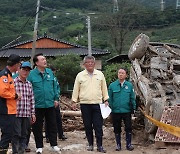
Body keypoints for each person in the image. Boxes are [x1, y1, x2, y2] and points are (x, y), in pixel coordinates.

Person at [71, 55, 109, 153]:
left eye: (92, 62)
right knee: (87, 125)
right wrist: (74, 101)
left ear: (94, 64)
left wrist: (106, 99)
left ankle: (100, 146)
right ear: (84, 64)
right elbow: (76, 89)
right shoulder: (80, 75)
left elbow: (104, 88)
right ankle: (90, 144)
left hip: (97, 104)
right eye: (88, 62)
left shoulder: (100, 74)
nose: (90, 64)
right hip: (85, 104)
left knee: (98, 126)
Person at [28, 53, 60, 153]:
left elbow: (55, 86)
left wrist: (56, 98)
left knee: (52, 125)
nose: (45, 61)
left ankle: (53, 144)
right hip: (37, 105)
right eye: (42, 59)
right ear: (36, 63)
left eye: (45, 59)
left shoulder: (50, 72)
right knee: (37, 126)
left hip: (50, 104)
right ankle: (39, 147)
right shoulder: (31, 74)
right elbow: (29, 89)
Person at [108, 68, 136, 151]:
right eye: (119, 73)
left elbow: (132, 98)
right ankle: (118, 145)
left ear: (126, 75)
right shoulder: (112, 85)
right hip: (116, 111)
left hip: (126, 111)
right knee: (116, 128)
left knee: (128, 127)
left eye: (122, 73)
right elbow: (110, 98)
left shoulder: (129, 85)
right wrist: (111, 108)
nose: (120, 74)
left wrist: (133, 108)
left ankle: (129, 144)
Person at [12, 61, 36, 154]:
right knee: (16, 134)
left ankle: (21, 151)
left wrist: (32, 113)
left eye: (27, 70)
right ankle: (15, 151)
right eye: (24, 70)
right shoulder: (13, 83)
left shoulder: (29, 84)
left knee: (24, 134)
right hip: (16, 113)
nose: (25, 72)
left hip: (26, 113)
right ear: (19, 70)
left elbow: (31, 99)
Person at [0, 54, 21, 154]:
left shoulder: (9, 75)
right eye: (19, 64)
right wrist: (15, 96)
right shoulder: (4, 75)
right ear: (16, 64)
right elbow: (2, 92)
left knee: (9, 133)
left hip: (11, 109)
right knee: (7, 134)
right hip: (6, 110)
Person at [45, 65, 67, 143]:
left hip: (55, 101)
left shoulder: (54, 78)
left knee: (58, 118)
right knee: (48, 120)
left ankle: (61, 134)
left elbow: (57, 89)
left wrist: (56, 97)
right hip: (48, 102)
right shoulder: (46, 78)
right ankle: (47, 136)